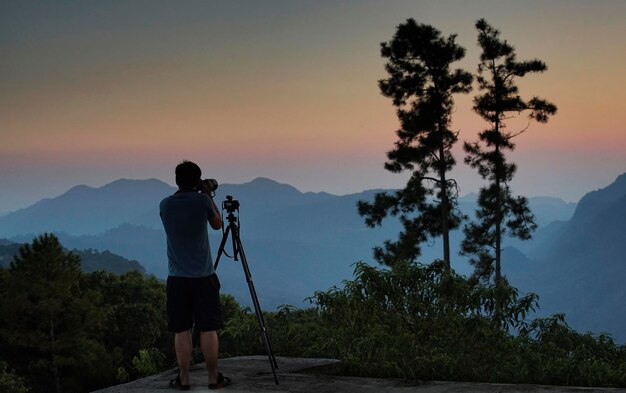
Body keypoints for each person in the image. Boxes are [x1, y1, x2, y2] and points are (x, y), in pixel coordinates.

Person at [159, 160, 231, 390]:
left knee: (181, 328)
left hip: (177, 276)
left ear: (177, 180)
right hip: (203, 275)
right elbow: (218, 224)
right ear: (198, 180)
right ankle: (213, 378)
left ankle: (184, 379)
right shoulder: (202, 201)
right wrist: (209, 194)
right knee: (208, 328)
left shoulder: (165, 205)